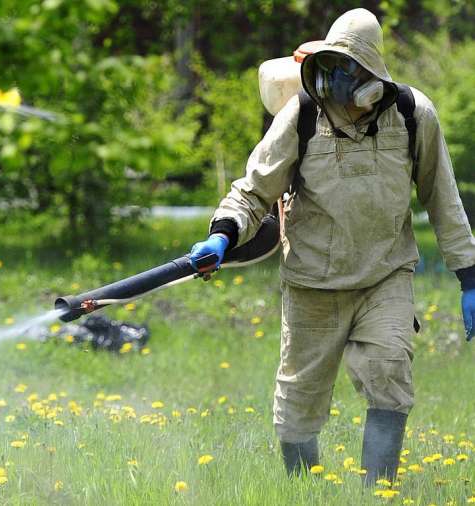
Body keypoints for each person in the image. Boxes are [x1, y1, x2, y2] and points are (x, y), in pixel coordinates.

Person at [189, 8, 475, 485]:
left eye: (347, 69)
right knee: (298, 403)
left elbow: (441, 196)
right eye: (329, 68)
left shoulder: (411, 113)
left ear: (369, 71)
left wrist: (468, 274)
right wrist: (223, 232)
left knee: (389, 374)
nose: (336, 82)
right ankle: (305, 492)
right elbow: (254, 189)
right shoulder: (300, 114)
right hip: (312, 281)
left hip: (385, 275)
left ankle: (375, 493)